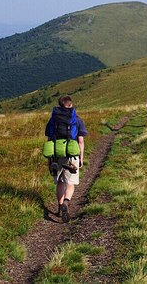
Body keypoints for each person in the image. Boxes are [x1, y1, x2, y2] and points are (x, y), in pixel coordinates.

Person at [45, 95, 88, 223]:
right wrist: (81, 157)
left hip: (57, 154)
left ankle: (59, 206)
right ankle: (66, 202)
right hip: (72, 153)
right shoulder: (77, 120)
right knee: (70, 182)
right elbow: (80, 141)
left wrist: (50, 159)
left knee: (60, 182)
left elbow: (49, 139)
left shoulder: (53, 119)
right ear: (71, 104)